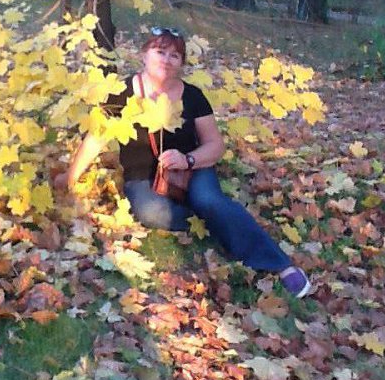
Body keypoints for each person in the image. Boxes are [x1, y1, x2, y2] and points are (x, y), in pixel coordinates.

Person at [54, 27, 311, 298]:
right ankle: (217, 223)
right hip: (142, 176)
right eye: (160, 51)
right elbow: (96, 137)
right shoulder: (122, 93)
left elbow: (214, 145)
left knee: (210, 201)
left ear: (181, 63)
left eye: (174, 55)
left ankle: (280, 265)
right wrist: (70, 177)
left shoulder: (193, 97)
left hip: (192, 169)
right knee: (151, 214)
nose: (166, 60)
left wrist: (187, 159)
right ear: (144, 54)